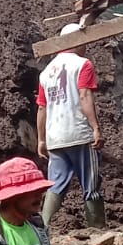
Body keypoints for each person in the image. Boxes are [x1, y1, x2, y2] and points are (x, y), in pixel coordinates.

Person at [37, 23, 104, 228]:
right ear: (77, 41)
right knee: (91, 185)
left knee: (55, 185)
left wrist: (41, 139)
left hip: (55, 138)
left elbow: (42, 108)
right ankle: (98, 230)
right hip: (80, 134)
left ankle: (43, 227)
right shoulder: (83, 64)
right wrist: (95, 128)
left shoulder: (46, 72)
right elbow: (84, 95)